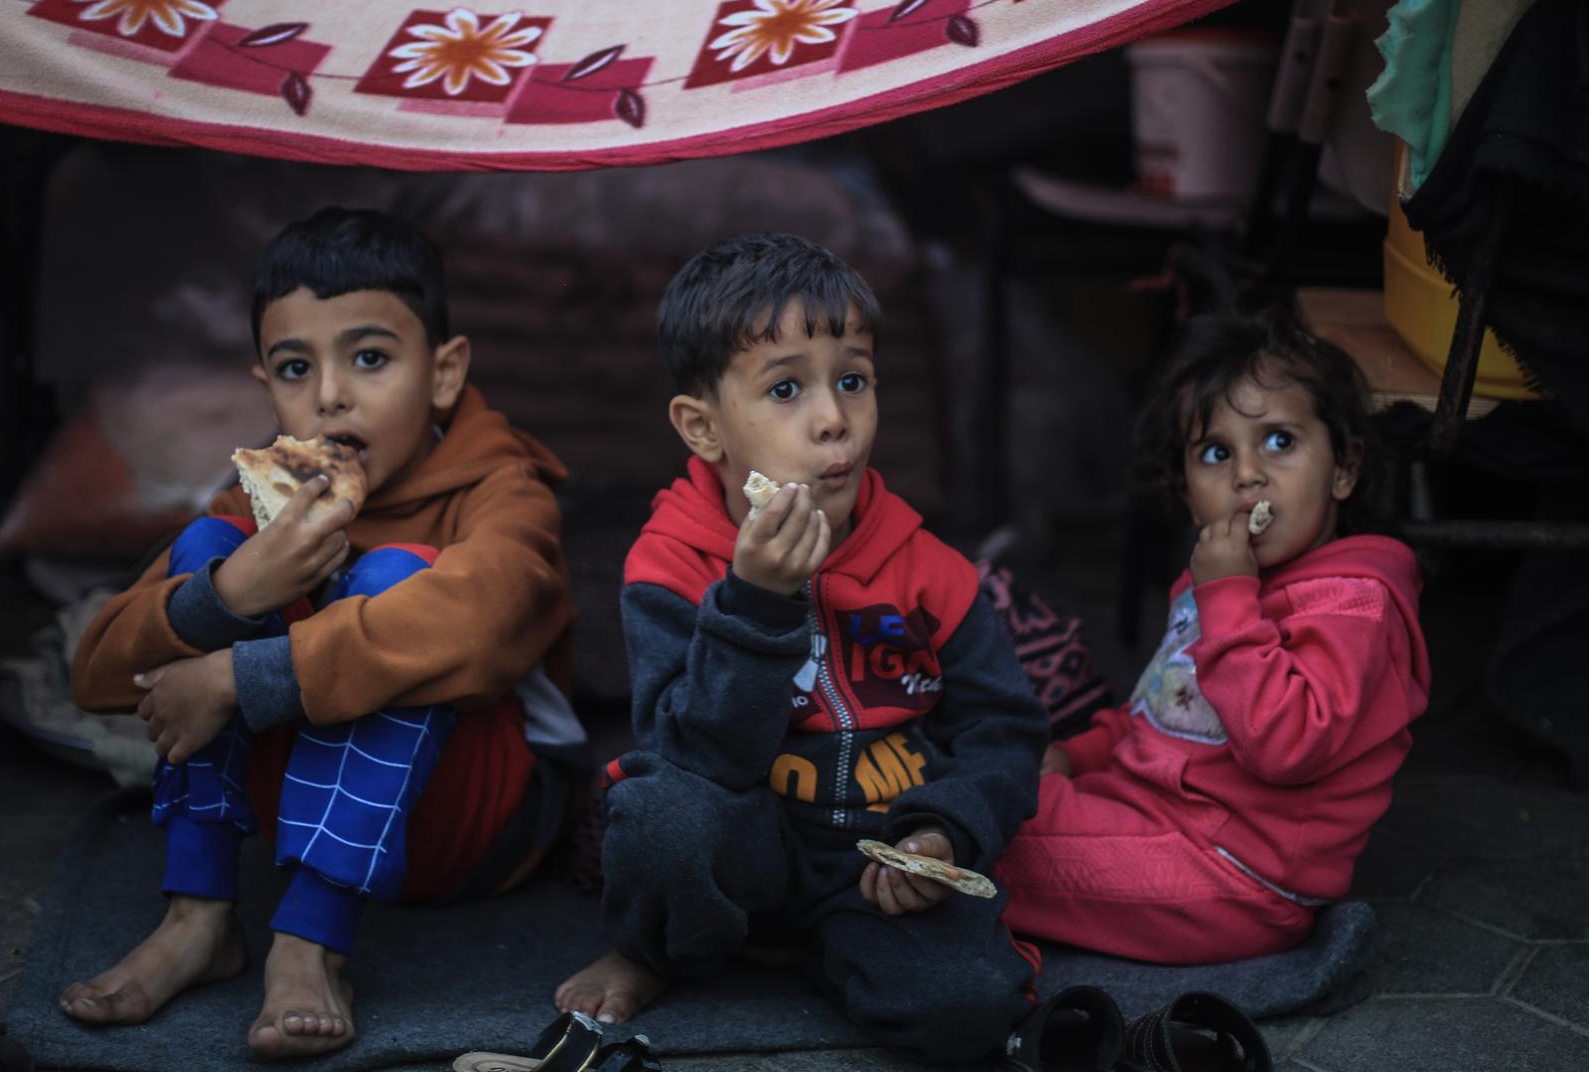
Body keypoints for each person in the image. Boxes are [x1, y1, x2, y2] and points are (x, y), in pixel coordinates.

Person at [61, 207, 584, 1057]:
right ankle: (197, 917)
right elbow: (96, 675)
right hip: (301, 813)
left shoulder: (504, 491)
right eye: (296, 367)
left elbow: (481, 632)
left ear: (444, 373)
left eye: (370, 358)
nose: (331, 395)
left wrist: (237, 676)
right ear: (265, 387)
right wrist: (233, 594)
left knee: (395, 582)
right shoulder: (266, 498)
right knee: (212, 549)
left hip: (474, 826)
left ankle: (311, 943)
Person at [551, 232, 1049, 1063]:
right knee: (657, 816)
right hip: (743, 843)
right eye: (786, 389)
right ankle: (659, 949)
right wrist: (754, 603)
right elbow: (690, 756)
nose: (834, 420)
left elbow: (1005, 733)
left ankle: (825, 949)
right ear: (703, 428)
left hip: (875, 861)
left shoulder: (931, 570)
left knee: (971, 1008)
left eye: (853, 380)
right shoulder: (672, 565)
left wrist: (944, 835)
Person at [994, 314, 1429, 964]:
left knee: (985, 826)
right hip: (1155, 824)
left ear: (1344, 468)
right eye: (1216, 454)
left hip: (1233, 878)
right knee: (999, 783)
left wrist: (1227, 597)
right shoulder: (1216, 579)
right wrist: (1077, 755)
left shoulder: (1351, 605)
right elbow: (1159, 710)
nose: (1247, 475)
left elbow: (1286, 746)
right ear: (1189, 495)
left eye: (1279, 441)